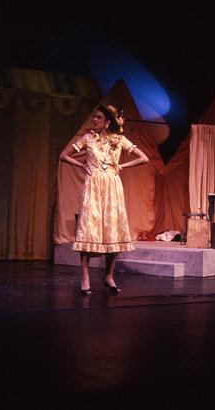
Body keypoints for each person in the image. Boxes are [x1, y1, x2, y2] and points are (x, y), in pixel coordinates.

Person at [59, 103, 149, 296]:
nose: (95, 120)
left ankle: (109, 275)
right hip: (93, 186)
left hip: (112, 186)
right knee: (89, 229)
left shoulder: (119, 140)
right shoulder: (87, 138)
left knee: (112, 231)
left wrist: (122, 166)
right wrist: (81, 165)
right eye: (95, 117)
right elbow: (64, 155)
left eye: (99, 118)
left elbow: (144, 158)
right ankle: (85, 277)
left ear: (108, 122)